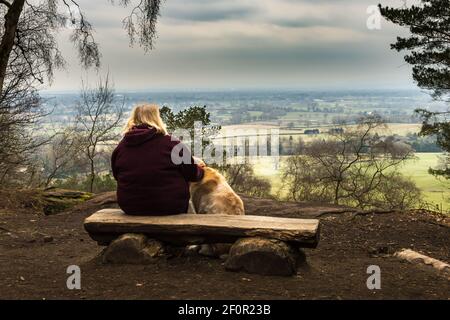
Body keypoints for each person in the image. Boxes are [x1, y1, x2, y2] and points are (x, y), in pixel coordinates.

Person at [111, 104, 204, 215]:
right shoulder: (173, 144)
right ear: (157, 119)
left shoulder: (121, 147)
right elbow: (192, 175)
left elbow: (117, 176)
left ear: (134, 119)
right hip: (170, 207)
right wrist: (201, 169)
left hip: (131, 207)